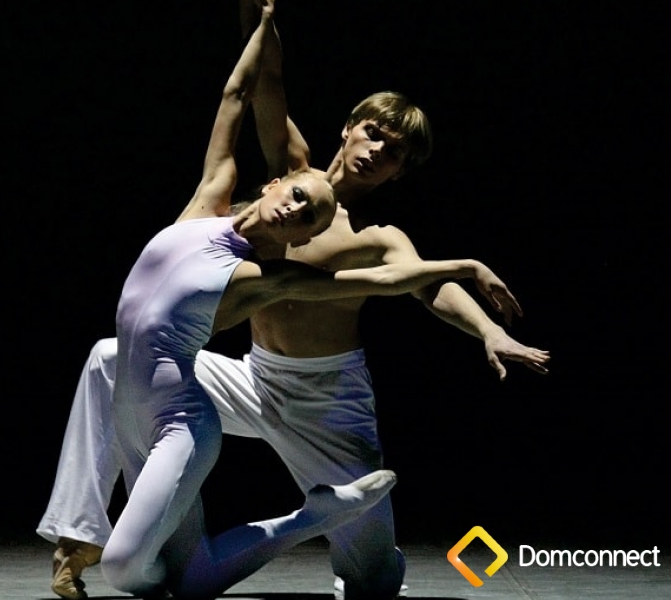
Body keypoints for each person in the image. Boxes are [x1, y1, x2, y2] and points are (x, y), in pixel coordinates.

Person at [37, 2, 550, 599]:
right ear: (350, 127)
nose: (377, 151)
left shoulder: (377, 236)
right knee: (109, 357)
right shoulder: (290, 174)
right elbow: (264, 84)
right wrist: (261, 19)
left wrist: (488, 330)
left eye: (393, 154)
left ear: (397, 173)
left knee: (371, 581)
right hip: (254, 377)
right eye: (374, 134)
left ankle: (358, 546)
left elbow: (425, 285)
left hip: (326, 401)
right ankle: (79, 535)